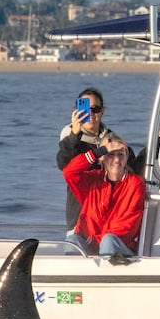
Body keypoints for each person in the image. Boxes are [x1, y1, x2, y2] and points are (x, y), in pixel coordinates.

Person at [62, 133, 146, 256]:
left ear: (126, 156)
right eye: (111, 154)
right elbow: (68, 172)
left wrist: (94, 241)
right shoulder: (92, 179)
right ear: (102, 157)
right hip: (90, 243)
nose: (116, 160)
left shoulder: (135, 183)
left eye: (120, 154)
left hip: (118, 247)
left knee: (108, 241)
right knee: (72, 241)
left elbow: (127, 227)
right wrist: (98, 151)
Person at [56, 87, 128, 232]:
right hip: (79, 217)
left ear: (102, 111)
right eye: (85, 109)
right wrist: (74, 134)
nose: (91, 114)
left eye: (95, 109)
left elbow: (131, 165)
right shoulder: (70, 137)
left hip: (107, 219)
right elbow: (63, 164)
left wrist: (159, 142)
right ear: (76, 111)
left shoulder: (111, 138)